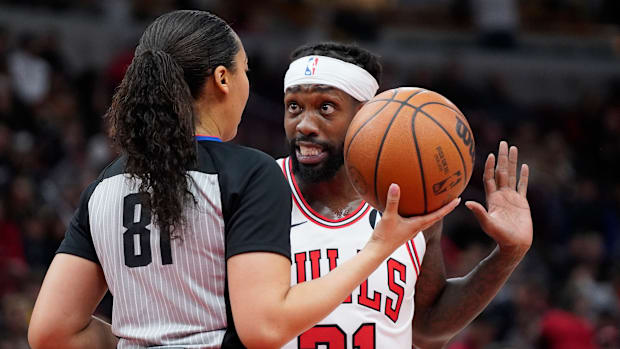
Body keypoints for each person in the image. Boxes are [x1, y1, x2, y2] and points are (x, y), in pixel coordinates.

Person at [27, 11, 459, 349]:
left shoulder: (104, 186)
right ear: (222, 80)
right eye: (245, 70)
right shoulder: (249, 173)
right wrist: (380, 247)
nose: (248, 85)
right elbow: (265, 328)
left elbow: (50, 332)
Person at [278, 42, 533, 349]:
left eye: (325, 107)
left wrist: (508, 253)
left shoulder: (413, 203)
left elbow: (425, 331)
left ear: (365, 115)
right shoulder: (257, 190)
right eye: (294, 106)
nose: (304, 125)